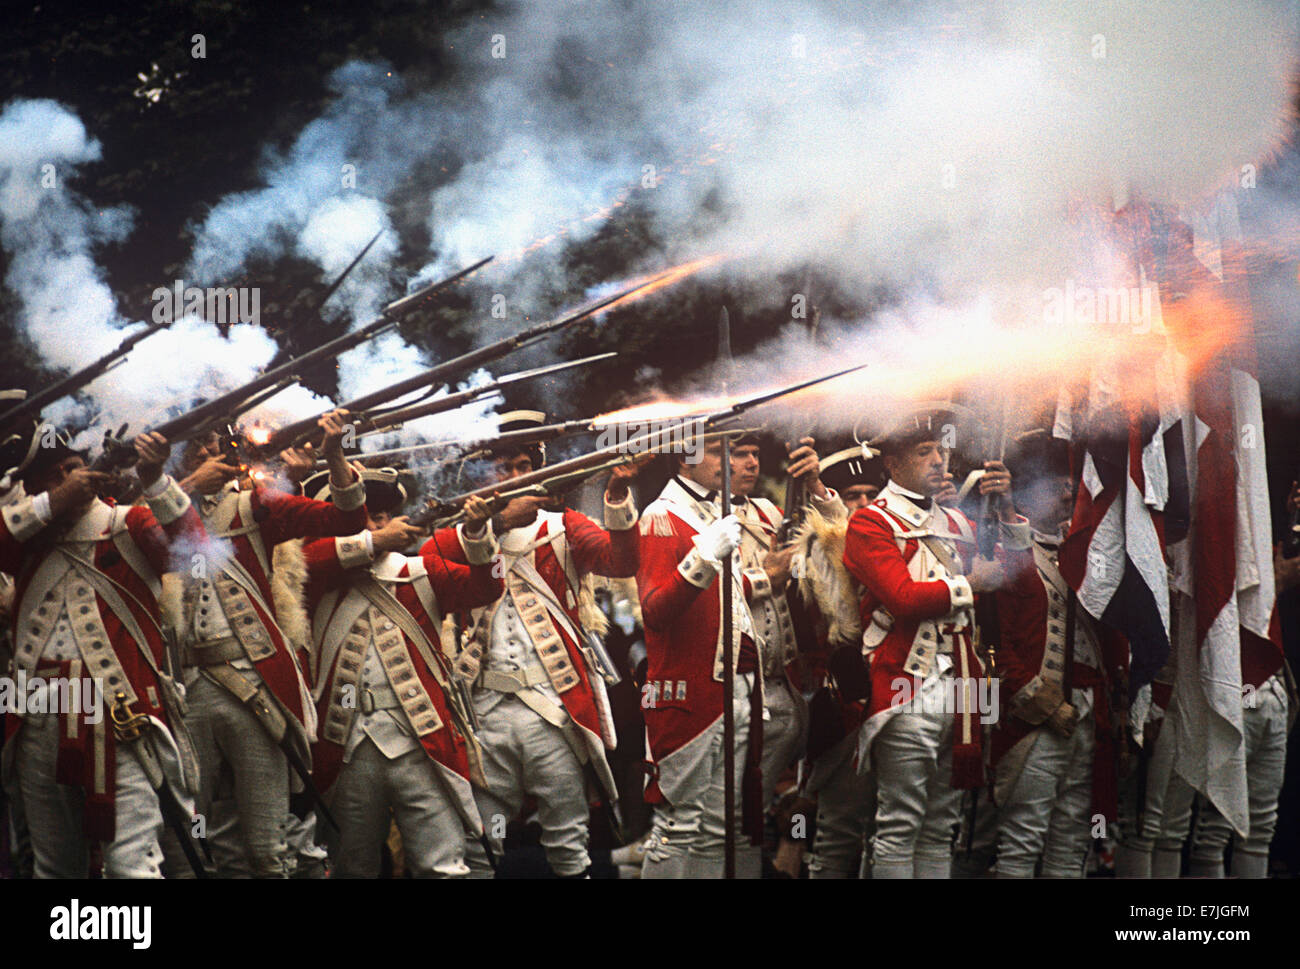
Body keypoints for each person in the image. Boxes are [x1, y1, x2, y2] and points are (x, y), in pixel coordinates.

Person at [152, 412, 368, 877]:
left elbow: (346, 519)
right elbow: (138, 534)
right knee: (184, 842)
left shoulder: (255, 505)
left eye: (215, 447)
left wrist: (333, 456)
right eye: (198, 450)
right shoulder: (148, 512)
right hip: (185, 687)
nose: (211, 456)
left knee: (267, 845)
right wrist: (187, 484)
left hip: (254, 684)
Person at [429, 411, 643, 878]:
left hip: (554, 709)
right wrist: (496, 522)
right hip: (483, 709)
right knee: (485, 844)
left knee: (568, 844)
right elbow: (433, 561)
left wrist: (618, 493)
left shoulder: (563, 525)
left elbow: (621, 560)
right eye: (503, 468)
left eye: (524, 466)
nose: (514, 477)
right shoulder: (462, 532)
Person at [0, 429, 199, 877]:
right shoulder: (25, 537)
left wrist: (155, 479)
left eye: (74, 467)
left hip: (120, 716)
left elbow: (194, 551)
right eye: (55, 476)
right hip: (35, 716)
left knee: (131, 866)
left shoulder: (127, 524)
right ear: (32, 490)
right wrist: (54, 503)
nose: (73, 479)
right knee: (54, 868)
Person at [842, 404, 1029, 878]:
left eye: (941, 450)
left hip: (964, 687)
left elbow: (1014, 582)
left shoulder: (959, 523)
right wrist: (969, 585)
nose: (939, 460)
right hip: (906, 682)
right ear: (892, 461)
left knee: (941, 823)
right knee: (900, 823)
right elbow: (903, 598)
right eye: (924, 451)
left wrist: (1006, 509)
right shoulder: (871, 522)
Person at [301, 468, 502, 877]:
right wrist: (373, 541)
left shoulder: (422, 570)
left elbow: (489, 586)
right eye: (363, 518)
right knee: (351, 867)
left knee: (442, 867)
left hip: (420, 743)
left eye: (380, 516)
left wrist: (479, 531)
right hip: (347, 746)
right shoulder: (313, 575)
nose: (378, 525)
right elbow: (307, 558)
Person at [990, 429, 1126, 878]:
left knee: (1072, 843)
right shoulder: (1009, 553)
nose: (1068, 493)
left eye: (1070, 482)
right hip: (1037, 712)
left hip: (1091, 708)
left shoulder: (1089, 552)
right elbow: (997, 644)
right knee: (1022, 841)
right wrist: (1042, 702)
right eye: (1055, 484)